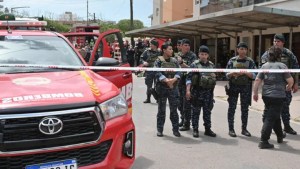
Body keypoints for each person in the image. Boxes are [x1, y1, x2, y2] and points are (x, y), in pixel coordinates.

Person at [253, 46, 294, 149]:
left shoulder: (264, 66)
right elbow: (290, 80)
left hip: (266, 95)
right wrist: (288, 87)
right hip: (278, 96)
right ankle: (263, 140)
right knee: (270, 118)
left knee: (275, 116)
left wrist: (255, 93)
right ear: (279, 55)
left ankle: (280, 136)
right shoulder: (282, 66)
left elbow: (257, 80)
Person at [261, 34, 299, 135]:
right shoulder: (268, 53)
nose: (276, 43)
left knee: (285, 106)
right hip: (271, 86)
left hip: (285, 86)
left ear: (283, 42)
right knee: (268, 106)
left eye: (278, 41)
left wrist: (296, 84)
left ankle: (286, 126)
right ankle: (266, 125)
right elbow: (262, 68)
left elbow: (295, 69)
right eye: (274, 41)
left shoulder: (288, 53)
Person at [225, 42, 256, 137]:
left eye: (244, 49)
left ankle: (244, 129)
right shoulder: (232, 60)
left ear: (247, 50)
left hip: (245, 87)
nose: (242, 51)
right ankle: (231, 129)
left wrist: (246, 72)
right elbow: (226, 75)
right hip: (234, 87)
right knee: (232, 108)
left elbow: (254, 75)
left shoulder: (250, 61)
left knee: (245, 109)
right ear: (237, 50)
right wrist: (233, 73)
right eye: (241, 49)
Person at [186, 45, 217, 137]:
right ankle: (195, 129)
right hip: (197, 92)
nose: (203, 56)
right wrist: (188, 91)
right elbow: (189, 78)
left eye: (205, 54)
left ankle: (208, 129)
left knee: (207, 111)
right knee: (195, 111)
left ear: (208, 55)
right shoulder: (194, 65)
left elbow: (214, 79)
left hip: (208, 92)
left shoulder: (211, 65)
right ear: (198, 54)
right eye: (202, 54)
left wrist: (214, 76)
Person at [154, 42, 181, 137]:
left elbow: (179, 71)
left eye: (172, 49)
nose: (172, 51)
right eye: (169, 49)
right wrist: (166, 80)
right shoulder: (158, 60)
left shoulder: (175, 60)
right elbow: (156, 72)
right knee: (161, 110)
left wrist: (173, 80)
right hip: (162, 88)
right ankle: (160, 130)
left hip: (173, 87)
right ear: (164, 50)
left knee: (174, 110)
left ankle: (176, 130)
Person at [177, 39, 197, 131]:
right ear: (181, 46)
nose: (187, 47)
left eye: (188, 45)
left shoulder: (192, 56)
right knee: (179, 103)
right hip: (178, 82)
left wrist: (182, 63)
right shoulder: (177, 55)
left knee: (187, 104)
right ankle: (182, 119)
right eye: (185, 45)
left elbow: (192, 69)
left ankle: (187, 123)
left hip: (187, 82)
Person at [140, 39, 161, 103]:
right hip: (149, 71)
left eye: (152, 44)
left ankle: (158, 98)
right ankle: (148, 98)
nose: (150, 45)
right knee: (149, 85)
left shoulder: (160, 52)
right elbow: (141, 58)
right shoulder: (147, 51)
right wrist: (144, 62)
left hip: (157, 71)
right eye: (150, 44)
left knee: (157, 85)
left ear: (155, 45)